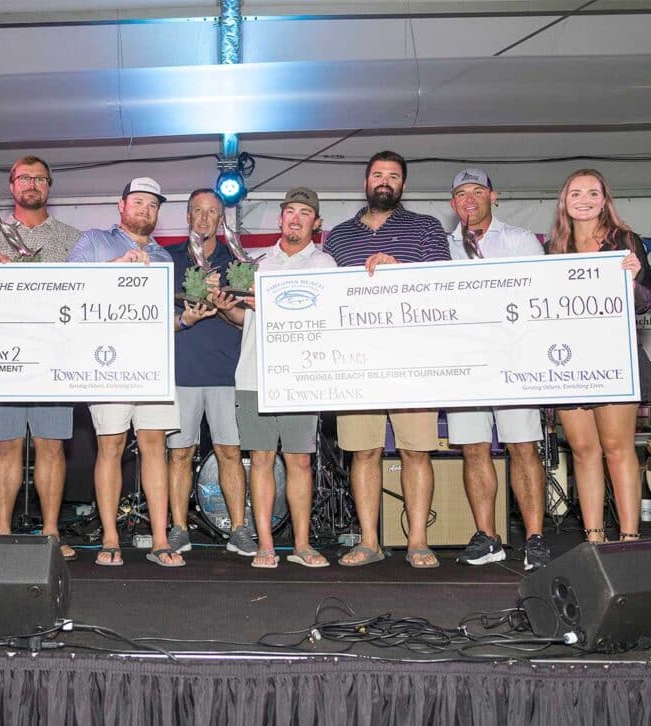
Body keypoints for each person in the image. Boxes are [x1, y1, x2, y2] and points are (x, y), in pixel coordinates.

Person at [323, 150, 451, 568]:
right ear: (365, 182)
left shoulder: (427, 228)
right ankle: (369, 541)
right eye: (377, 174)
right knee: (364, 451)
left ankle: (417, 541)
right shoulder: (338, 236)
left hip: (413, 357)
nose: (384, 181)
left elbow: (444, 286)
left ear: (403, 186)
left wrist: (401, 272)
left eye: (393, 176)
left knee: (416, 451)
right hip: (356, 360)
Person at [0, 156, 82, 559]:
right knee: (6, 445)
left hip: (55, 356)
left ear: (49, 186)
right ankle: (1, 532)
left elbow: (88, 293)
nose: (32, 184)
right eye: (24, 178)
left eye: (39, 178)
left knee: (51, 445)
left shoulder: (73, 238)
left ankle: (50, 534)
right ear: (11, 185)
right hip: (2, 357)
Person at [213, 188, 334, 568]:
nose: (295, 218)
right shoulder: (256, 265)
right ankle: (265, 544)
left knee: (299, 462)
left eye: (304, 213)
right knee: (261, 459)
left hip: (301, 377)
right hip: (253, 376)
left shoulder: (326, 266)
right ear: (280, 219)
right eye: (289, 212)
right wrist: (225, 308)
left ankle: (301, 544)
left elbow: (325, 319)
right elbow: (243, 322)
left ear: (316, 223)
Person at [68, 177, 184, 567]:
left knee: (155, 447)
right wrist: (118, 265)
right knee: (111, 447)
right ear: (121, 205)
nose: (145, 210)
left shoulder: (165, 258)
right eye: (138, 202)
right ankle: (111, 538)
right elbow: (70, 285)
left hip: (152, 361)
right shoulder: (94, 240)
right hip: (108, 361)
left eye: (152, 205)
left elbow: (163, 318)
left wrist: (186, 320)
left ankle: (160, 539)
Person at [444, 168, 550, 570]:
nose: (469, 199)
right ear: (453, 204)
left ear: (494, 196)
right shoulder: (442, 245)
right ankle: (487, 537)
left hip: (513, 362)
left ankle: (535, 539)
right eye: (461, 194)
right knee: (473, 449)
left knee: (523, 446)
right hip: (465, 365)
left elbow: (538, 298)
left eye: (477, 191)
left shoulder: (521, 241)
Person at [546, 169, 651, 544]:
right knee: (583, 449)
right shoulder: (554, 250)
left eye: (594, 192)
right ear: (565, 201)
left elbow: (643, 302)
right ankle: (594, 539)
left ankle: (628, 539)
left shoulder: (624, 241)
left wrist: (635, 278)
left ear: (605, 199)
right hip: (570, 362)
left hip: (615, 357)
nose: (585, 199)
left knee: (617, 448)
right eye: (576, 193)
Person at [164, 189, 249, 556]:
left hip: (226, 373)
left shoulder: (238, 262)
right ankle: (179, 528)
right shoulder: (168, 260)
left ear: (221, 219)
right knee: (180, 453)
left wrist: (226, 308)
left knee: (230, 452)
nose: (203, 218)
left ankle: (240, 530)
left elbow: (251, 323)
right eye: (197, 211)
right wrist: (186, 319)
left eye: (211, 212)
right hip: (182, 372)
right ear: (187, 216)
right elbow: (155, 320)